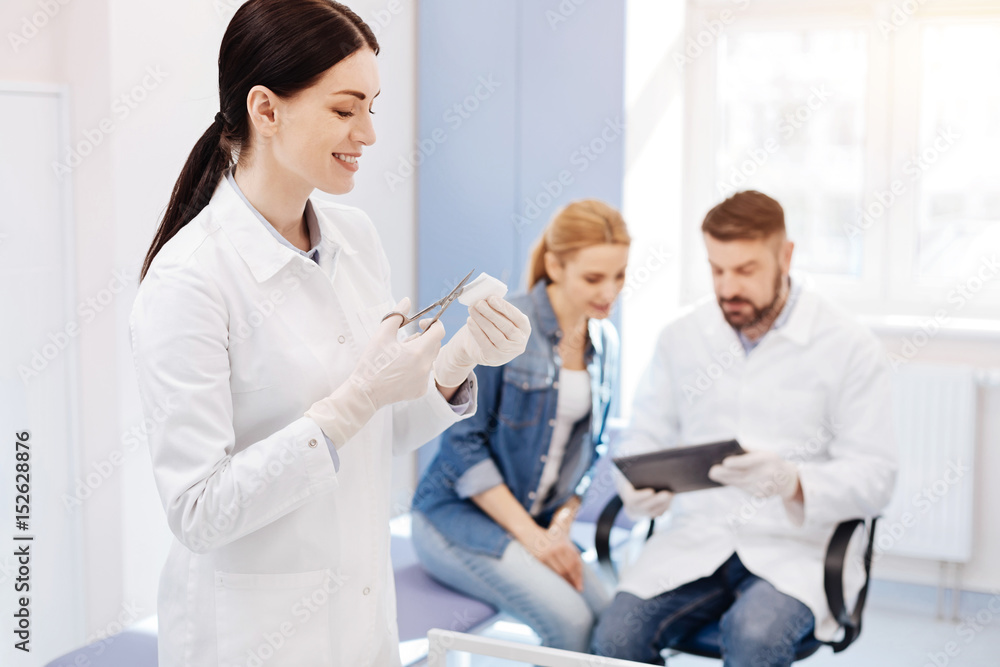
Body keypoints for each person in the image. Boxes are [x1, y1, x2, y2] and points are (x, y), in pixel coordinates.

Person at [127, 2, 530, 665]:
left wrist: (460, 358)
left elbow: (376, 436)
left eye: (373, 106)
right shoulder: (189, 281)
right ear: (265, 109)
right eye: (345, 110)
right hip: (251, 640)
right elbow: (198, 510)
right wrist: (352, 403)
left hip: (363, 625)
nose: (369, 133)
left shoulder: (356, 237)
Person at [590, 191, 897, 666]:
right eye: (717, 269)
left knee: (755, 636)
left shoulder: (848, 345)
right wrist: (635, 485)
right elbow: (644, 434)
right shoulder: (682, 338)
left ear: (785, 256)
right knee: (615, 639)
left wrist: (793, 482)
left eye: (746, 270)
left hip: (795, 548)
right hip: (698, 536)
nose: (728, 287)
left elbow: (876, 476)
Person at [410, 200, 629, 652]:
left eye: (620, 275)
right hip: (456, 520)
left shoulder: (605, 341)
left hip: (537, 523)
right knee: (569, 624)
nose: (610, 291)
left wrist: (558, 530)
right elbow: (462, 448)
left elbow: (593, 450)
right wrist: (535, 540)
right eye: (594, 278)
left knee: (610, 621)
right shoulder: (505, 327)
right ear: (555, 264)